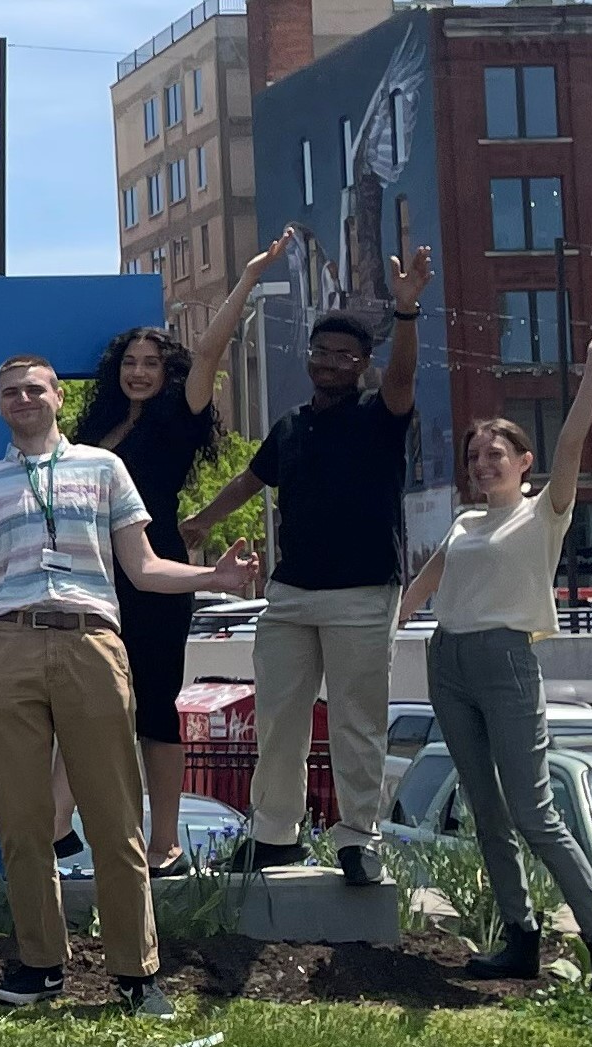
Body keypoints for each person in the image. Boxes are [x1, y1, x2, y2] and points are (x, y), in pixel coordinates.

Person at [0, 355, 259, 1019]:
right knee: (21, 820)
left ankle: (135, 974)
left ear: (57, 398)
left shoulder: (104, 468)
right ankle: (40, 963)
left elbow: (144, 567)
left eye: (33, 388)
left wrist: (214, 577)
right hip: (7, 645)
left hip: (90, 641)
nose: (23, 398)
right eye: (9, 391)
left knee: (114, 819)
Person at [396, 321, 592, 995]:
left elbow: (572, 443)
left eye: (496, 454)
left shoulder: (544, 513)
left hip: (507, 661)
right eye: (475, 456)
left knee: (534, 811)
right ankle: (519, 937)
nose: (483, 464)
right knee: (485, 809)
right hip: (448, 662)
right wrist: (389, 624)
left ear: (524, 461)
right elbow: (427, 580)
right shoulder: (464, 522)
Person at [183, 242, 434, 884]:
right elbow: (252, 478)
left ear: (363, 364)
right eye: (321, 352)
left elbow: (404, 379)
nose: (329, 362)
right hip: (290, 594)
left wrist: (406, 311)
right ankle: (274, 836)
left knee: (356, 722)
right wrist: (202, 521)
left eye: (344, 355)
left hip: (363, 592)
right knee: (277, 719)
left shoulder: (381, 416)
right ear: (309, 356)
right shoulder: (292, 424)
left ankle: (358, 839)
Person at [47, 228, 291, 878]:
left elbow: (211, 347)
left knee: (155, 708)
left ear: (168, 372)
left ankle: (165, 844)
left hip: (154, 568)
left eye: (151, 363)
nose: (139, 372)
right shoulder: (94, 428)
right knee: (88, 702)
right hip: (92, 573)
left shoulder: (180, 414)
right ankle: (57, 826)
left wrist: (247, 277)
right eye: (130, 362)